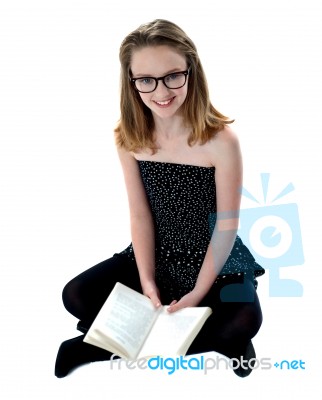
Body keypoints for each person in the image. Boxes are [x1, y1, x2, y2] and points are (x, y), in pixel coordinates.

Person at [55, 18, 265, 379]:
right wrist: (147, 282)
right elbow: (140, 216)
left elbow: (227, 225)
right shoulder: (129, 138)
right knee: (75, 296)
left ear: (190, 70)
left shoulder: (220, 141)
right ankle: (220, 340)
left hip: (215, 259)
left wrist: (199, 292)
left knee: (246, 319)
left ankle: (96, 345)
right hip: (156, 252)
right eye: (146, 80)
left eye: (173, 76)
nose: (161, 90)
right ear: (132, 82)